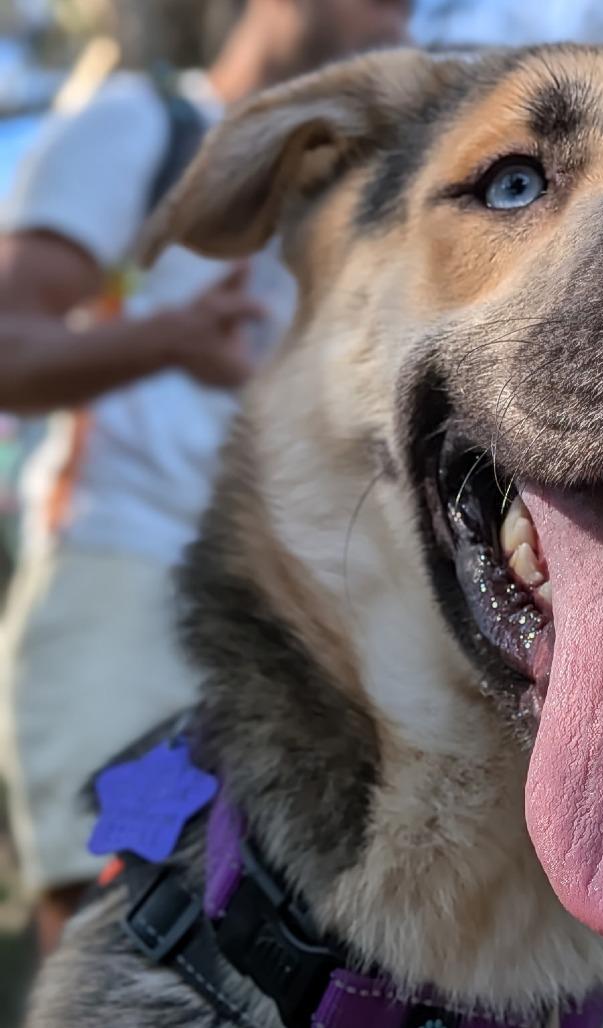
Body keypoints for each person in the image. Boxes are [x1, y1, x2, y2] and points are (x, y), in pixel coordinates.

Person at [0, 0, 410, 956]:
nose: (396, 15)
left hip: (307, 620)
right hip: (128, 583)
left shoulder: (368, 204)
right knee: (120, 925)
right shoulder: (136, 132)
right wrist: (171, 340)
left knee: (306, 960)